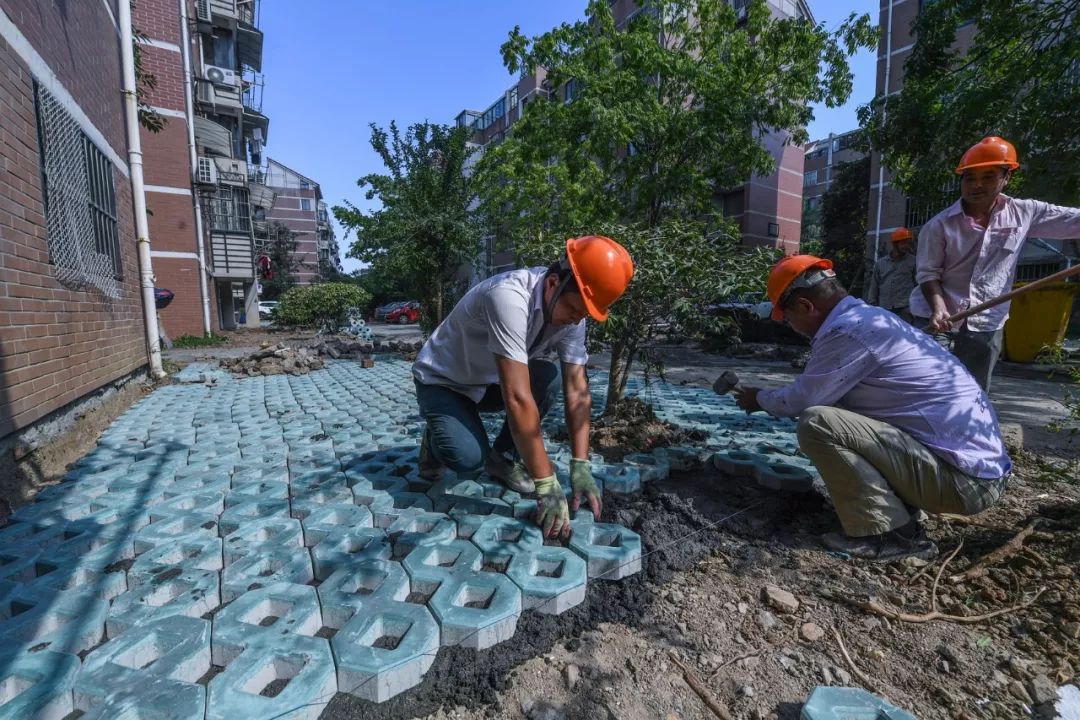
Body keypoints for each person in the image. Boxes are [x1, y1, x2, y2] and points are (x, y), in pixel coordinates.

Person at [734, 255, 1012, 562]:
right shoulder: (872, 318)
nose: (792, 327)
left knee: (817, 422)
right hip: (971, 472)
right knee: (842, 410)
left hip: (964, 483)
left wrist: (758, 398)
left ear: (805, 306)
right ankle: (897, 513)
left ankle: (889, 536)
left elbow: (801, 401)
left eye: (788, 319)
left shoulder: (848, 331)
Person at [412, 235, 635, 539]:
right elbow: (517, 397)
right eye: (575, 309)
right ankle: (435, 439)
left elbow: (577, 391)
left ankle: (502, 458)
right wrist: (547, 483)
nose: (576, 320)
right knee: (466, 459)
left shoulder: (573, 317)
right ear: (554, 282)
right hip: (444, 382)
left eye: (584, 313)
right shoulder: (508, 297)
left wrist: (580, 464)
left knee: (549, 378)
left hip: (489, 381)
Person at [910, 136, 1080, 392]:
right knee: (929, 388)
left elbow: (1074, 221)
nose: (977, 185)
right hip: (938, 318)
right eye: (969, 178)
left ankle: (969, 432)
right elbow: (928, 273)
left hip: (987, 322)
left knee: (974, 394)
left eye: (988, 176)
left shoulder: (1025, 213)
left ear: (1006, 177)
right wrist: (938, 308)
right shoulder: (939, 226)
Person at [866, 227, 917, 324]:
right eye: (903, 243)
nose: (906, 246)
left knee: (905, 336)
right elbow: (874, 285)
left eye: (908, 243)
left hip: (905, 308)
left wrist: (914, 306)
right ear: (895, 244)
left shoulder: (913, 261)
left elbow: (918, 285)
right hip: (885, 308)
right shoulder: (880, 263)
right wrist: (872, 305)